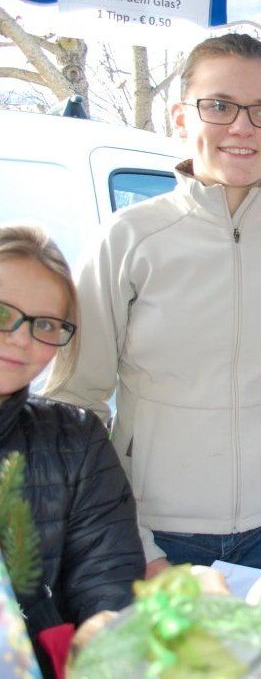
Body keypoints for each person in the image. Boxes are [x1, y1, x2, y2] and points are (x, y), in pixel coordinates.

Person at [48, 34, 261, 576]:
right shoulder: (128, 239)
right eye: (220, 106)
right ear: (182, 117)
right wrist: (130, 536)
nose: (242, 127)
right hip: (158, 534)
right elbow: (75, 403)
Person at [0, 225, 143, 675]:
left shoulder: (75, 441)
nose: (22, 339)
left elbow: (108, 589)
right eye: (3, 314)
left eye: (45, 324)